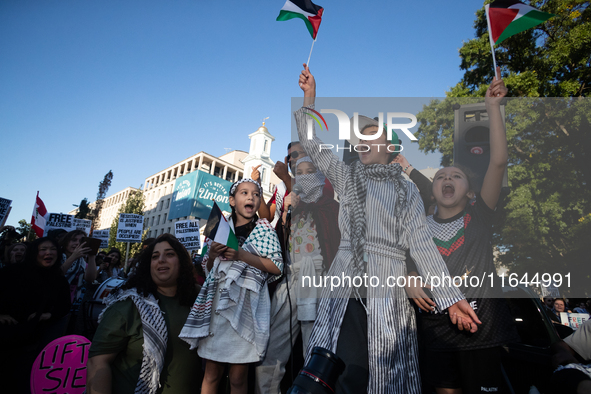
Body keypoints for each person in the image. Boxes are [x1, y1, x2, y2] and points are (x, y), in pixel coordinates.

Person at [296, 64, 478, 394]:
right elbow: (312, 144)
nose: (364, 140)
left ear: (390, 147)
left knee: (381, 374)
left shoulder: (406, 190)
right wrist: (309, 98)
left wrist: (450, 298)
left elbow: (422, 246)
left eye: (373, 135)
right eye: (360, 136)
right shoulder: (346, 176)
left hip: (389, 294)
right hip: (346, 285)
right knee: (336, 369)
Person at [407, 69, 520, 394]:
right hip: (437, 333)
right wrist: (408, 276)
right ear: (433, 189)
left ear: (471, 193)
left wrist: (493, 108)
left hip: (482, 332)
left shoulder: (480, 216)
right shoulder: (417, 227)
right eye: (441, 175)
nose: (446, 179)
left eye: (456, 176)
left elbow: (497, 162)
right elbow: (397, 258)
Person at [180, 179, 283, 394]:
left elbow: (276, 266)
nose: (251, 197)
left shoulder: (265, 230)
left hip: (247, 307)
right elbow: (207, 270)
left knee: (238, 378)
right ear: (232, 201)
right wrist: (213, 256)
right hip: (218, 308)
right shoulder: (218, 228)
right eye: (244, 192)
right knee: (211, 373)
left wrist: (242, 255)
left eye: (256, 194)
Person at [256, 157, 341, 394]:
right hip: (290, 278)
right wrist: (284, 216)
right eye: (298, 172)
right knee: (274, 346)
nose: (303, 176)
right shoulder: (289, 205)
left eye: (309, 171)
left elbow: (319, 197)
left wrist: (287, 178)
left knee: (313, 345)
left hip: (316, 276)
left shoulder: (327, 205)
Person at [86, 234, 201, 394]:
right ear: (148, 265)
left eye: (169, 254)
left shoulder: (198, 301)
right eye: (155, 256)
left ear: (182, 262)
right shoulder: (128, 305)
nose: (161, 260)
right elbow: (97, 363)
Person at [0, 237, 71, 393]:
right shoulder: (12, 272)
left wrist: (49, 315)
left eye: (53, 249)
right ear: (34, 252)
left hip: (36, 341)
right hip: (7, 339)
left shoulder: (58, 278)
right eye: (43, 249)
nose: (49, 253)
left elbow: (64, 305)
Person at [60, 230, 98, 320]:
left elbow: (91, 278)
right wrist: (73, 256)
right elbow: (58, 275)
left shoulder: (82, 263)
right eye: (73, 240)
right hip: (55, 301)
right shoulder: (57, 258)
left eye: (81, 241)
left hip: (73, 303)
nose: (77, 243)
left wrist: (91, 257)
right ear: (65, 242)